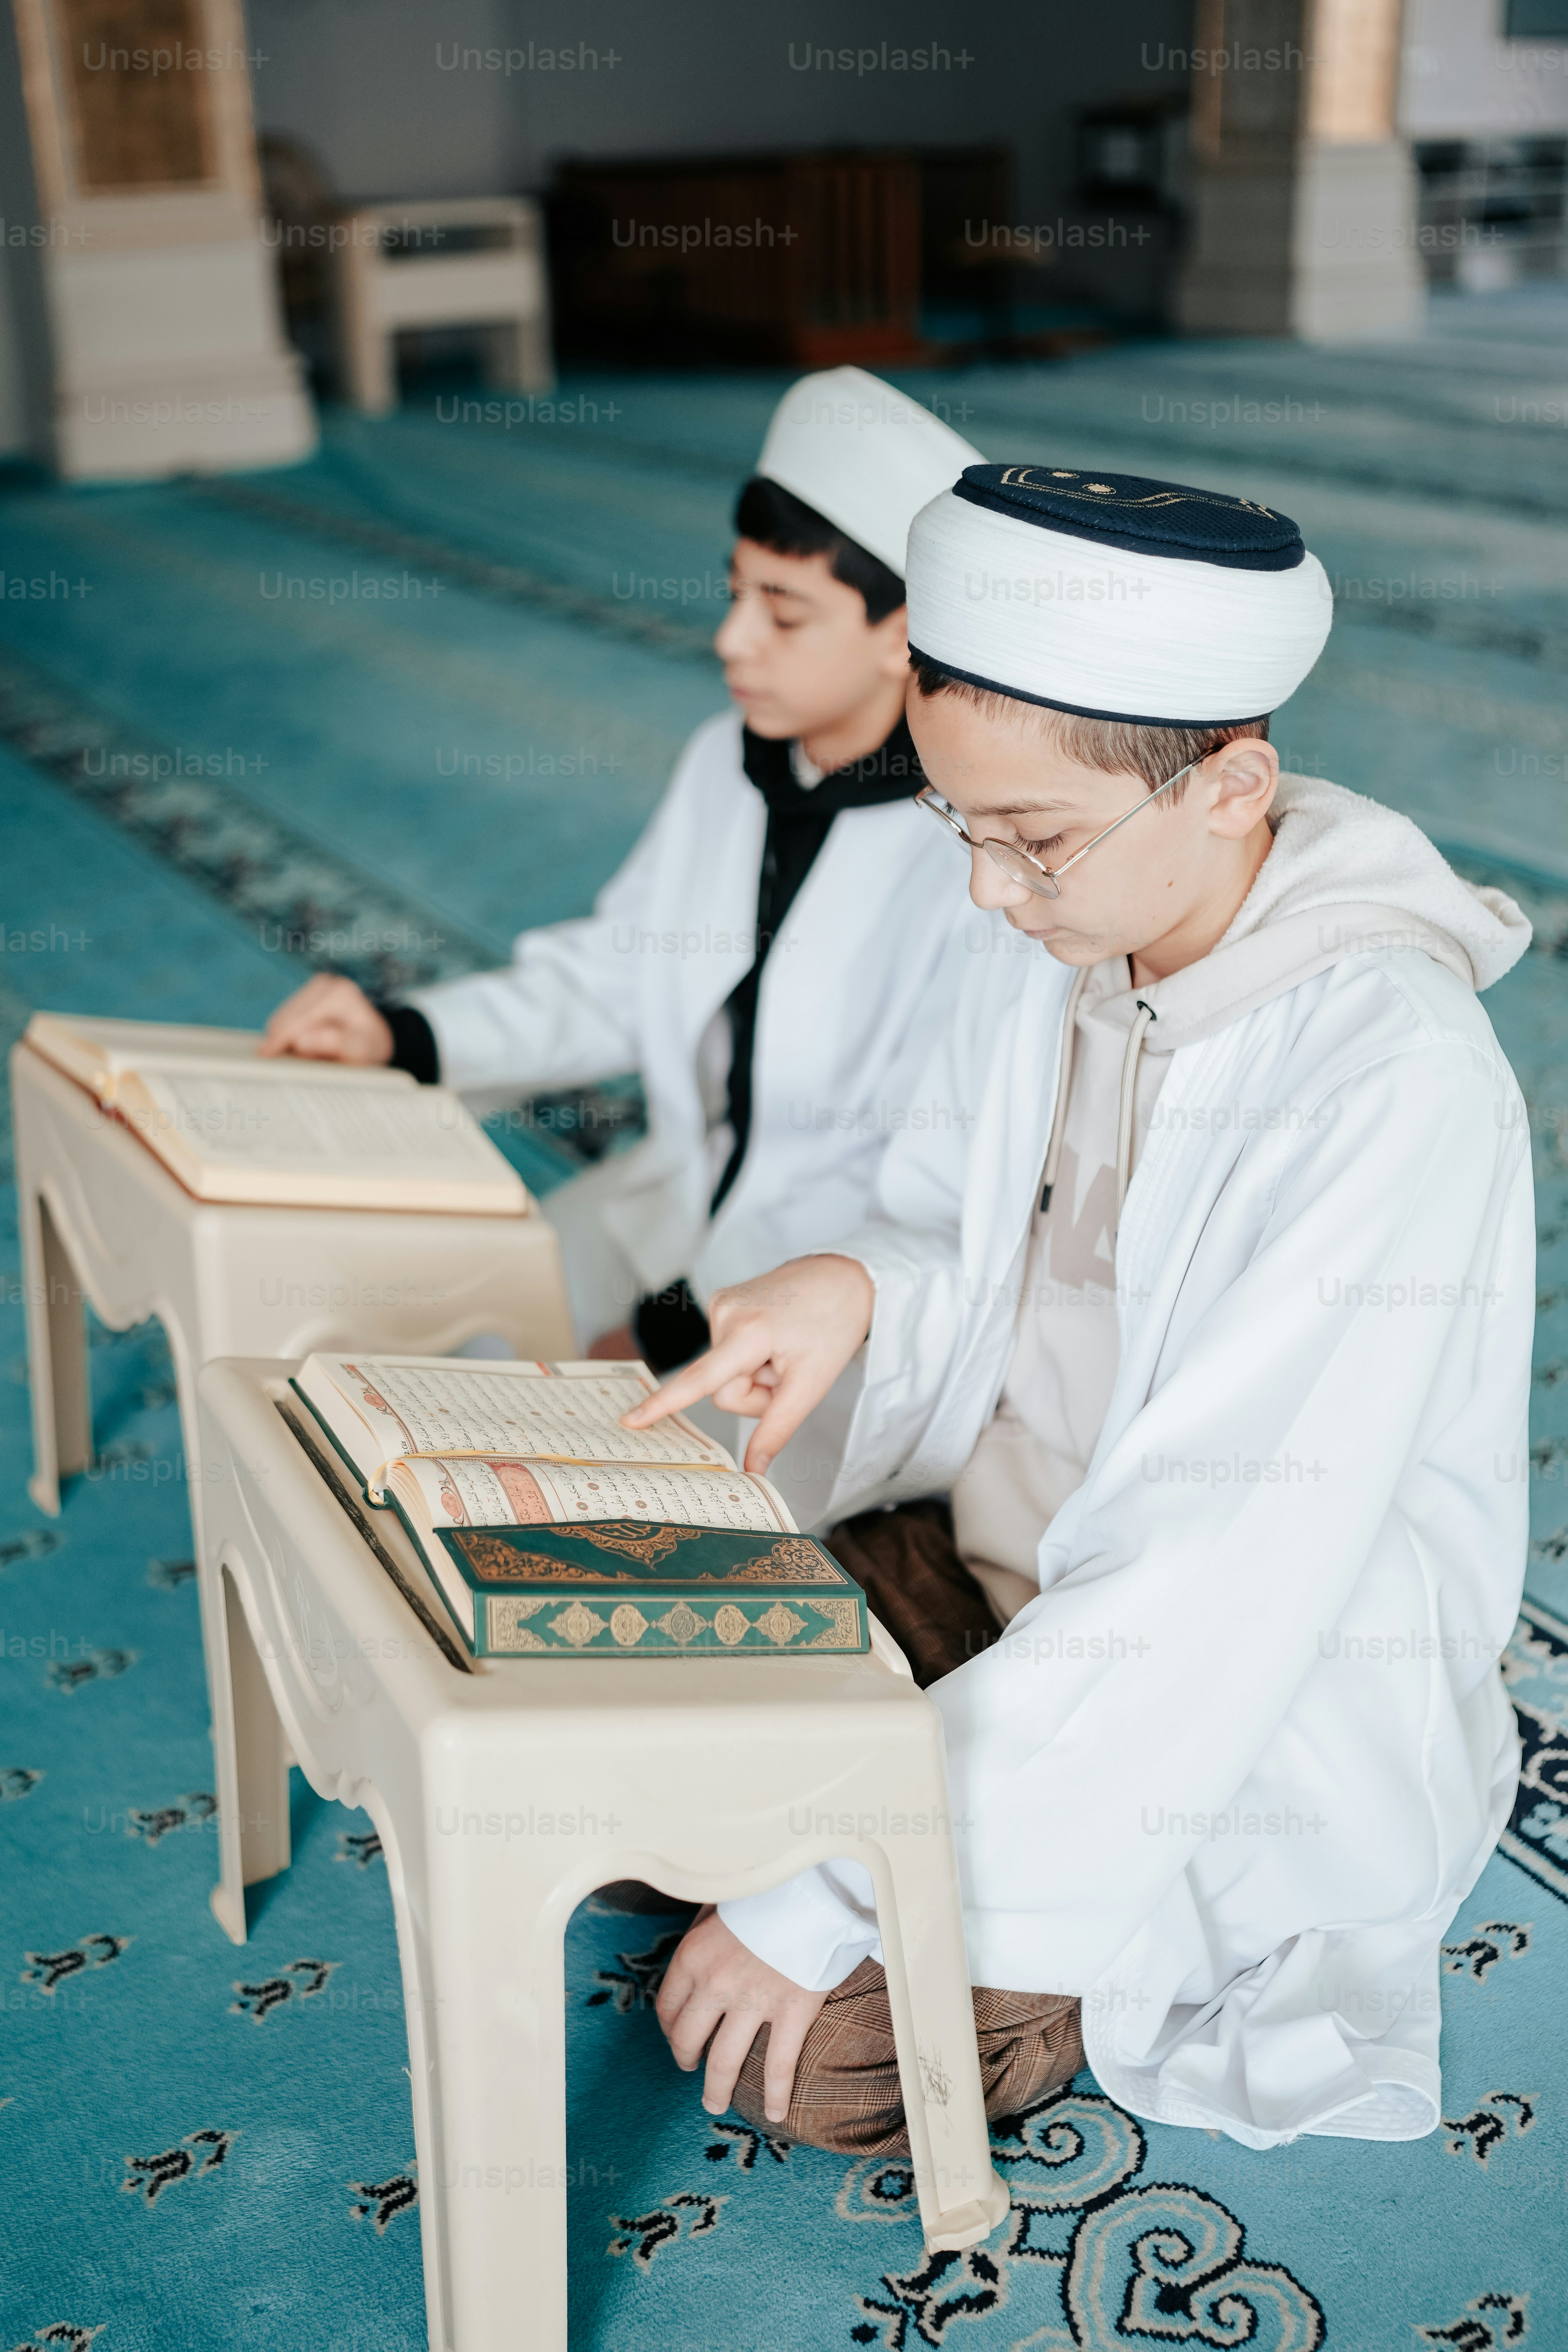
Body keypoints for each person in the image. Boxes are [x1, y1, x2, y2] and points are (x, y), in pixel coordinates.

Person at [624, 462, 1535, 2157]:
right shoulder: (1060, 915)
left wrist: (824, 1895)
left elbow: (1215, 1584)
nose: (984, 890)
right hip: (979, 1551)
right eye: (960, 830)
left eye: (1027, 838)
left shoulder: (1383, 1076)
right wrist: (857, 1286)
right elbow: (952, 1227)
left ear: (1230, 784)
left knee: (812, 2051)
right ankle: (861, 1765)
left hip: (1214, 1707)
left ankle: (1007, 1905)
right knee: (609, 1717)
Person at [260, 368, 983, 1525]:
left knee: (576, 1500)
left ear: (906, 632)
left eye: (785, 613)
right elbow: (621, 971)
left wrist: (666, 1331)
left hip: (825, 1300)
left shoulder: (971, 856)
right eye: (735, 593)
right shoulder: (728, 761)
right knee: (407, 1345)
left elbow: (909, 1180)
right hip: (676, 1204)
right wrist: (406, 1032)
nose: (732, 639)